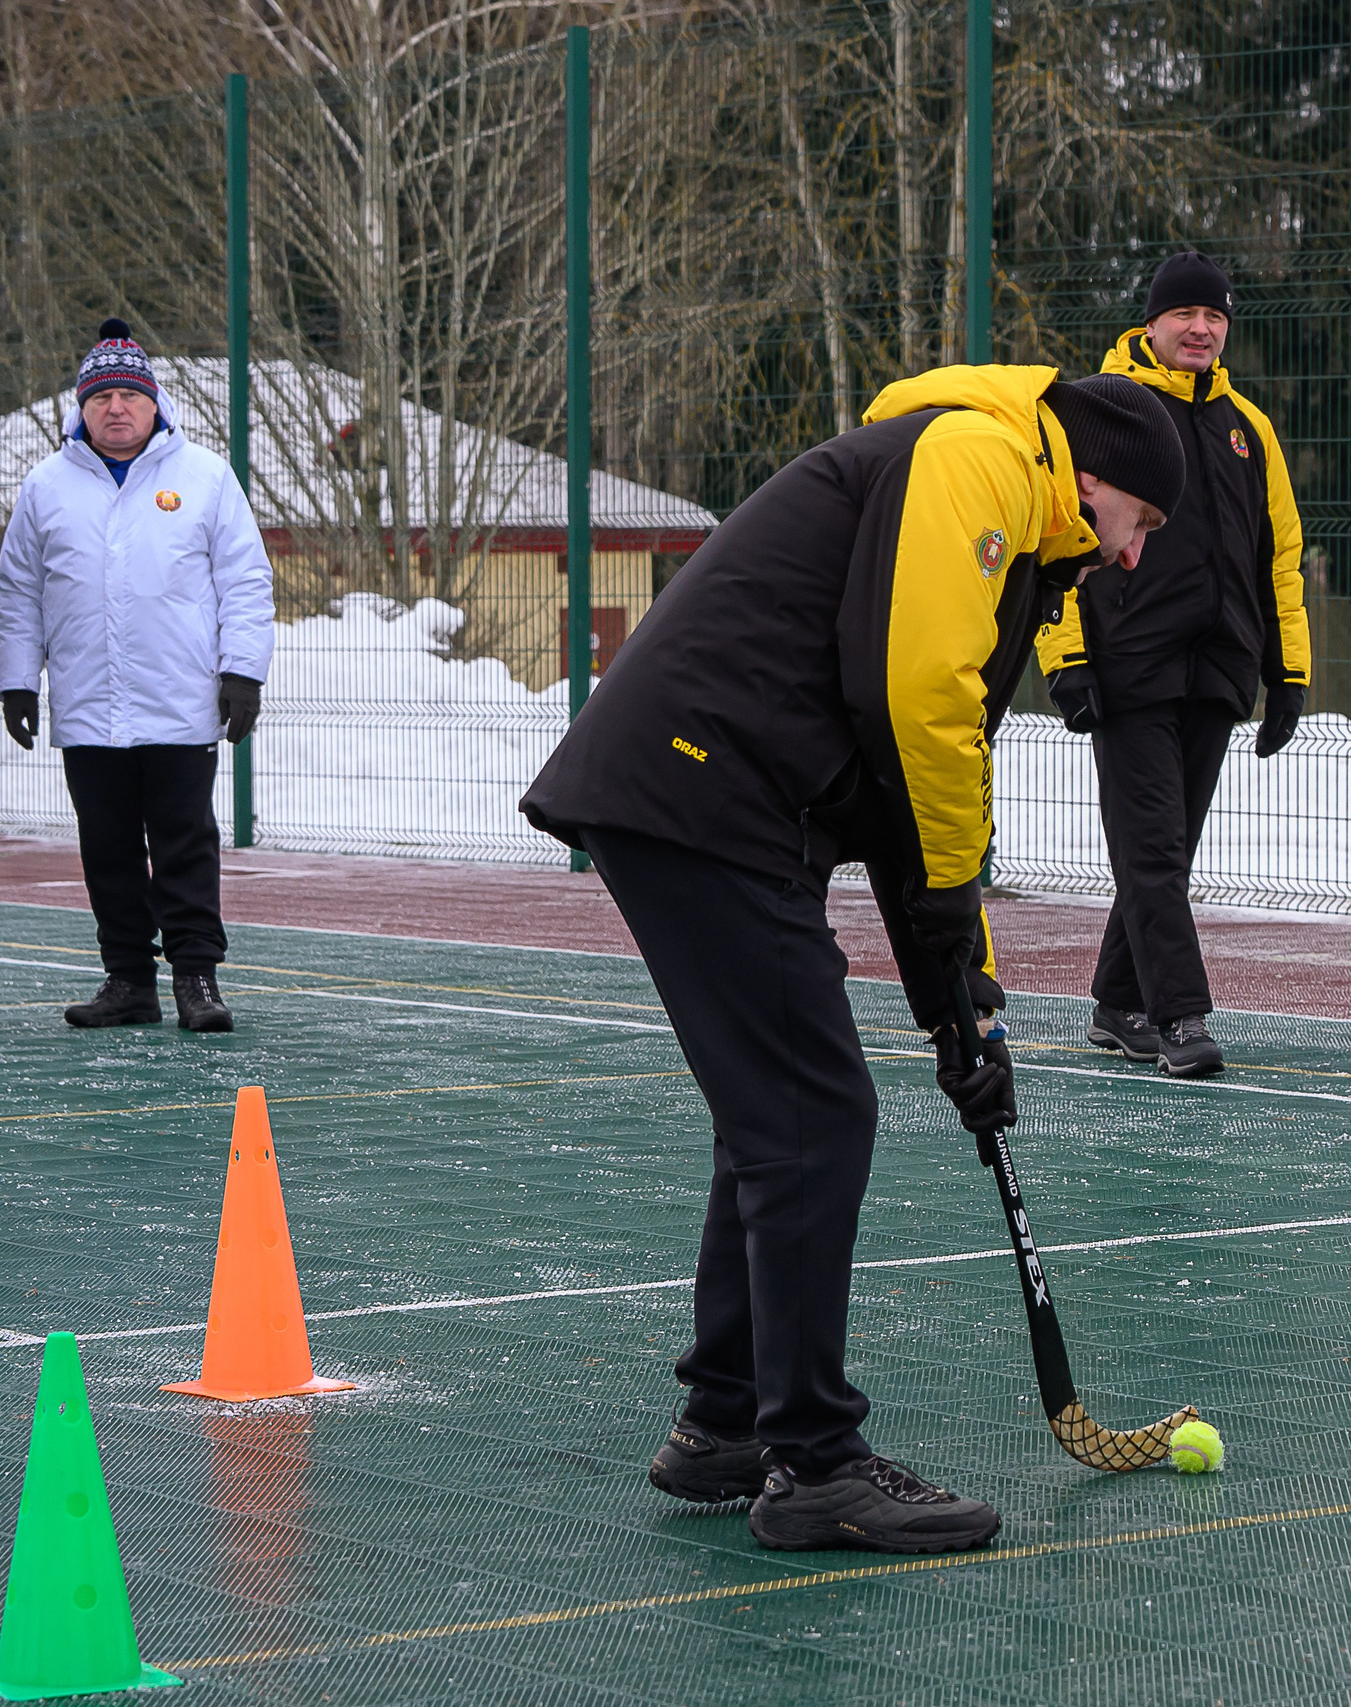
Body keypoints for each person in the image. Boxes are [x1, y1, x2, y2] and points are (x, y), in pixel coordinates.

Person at [520, 364, 1183, 1555]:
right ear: (1098, 485)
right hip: (699, 789)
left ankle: (727, 1420)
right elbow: (914, 702)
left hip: (713, 796)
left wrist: (958, 1003)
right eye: (1139, 525)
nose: (1131, 558)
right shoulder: (976, 462)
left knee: (777, 1109)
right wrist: (945, 953)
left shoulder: (1008, 518)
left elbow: (914, 790)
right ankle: (816, 1461)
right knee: (810, 1112)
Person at [1036, 250, 1310, 1078]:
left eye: (1215, 316)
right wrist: (1066, 658)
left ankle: (1117, 1003)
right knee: (1153, 848)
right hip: (1127, 669)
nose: (1201, 329)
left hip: (1218, 671)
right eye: (1186, 315)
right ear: (1150, 323)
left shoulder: (1249, 430)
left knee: (1166, 850)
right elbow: (1054, 535)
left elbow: (1281, 557)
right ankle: (1179, 1014)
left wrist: (1286, 672)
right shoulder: (1101, 408)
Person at [0, 319, 273, 1031]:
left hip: (179, 705)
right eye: (101, 397)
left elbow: (245, 581)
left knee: (184, 843)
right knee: (107, 847)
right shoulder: (45, 487)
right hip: (89, 708)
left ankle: (196, 980)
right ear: (80, 408)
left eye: (128, 395)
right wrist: (17, 680)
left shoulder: (206, 477)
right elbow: (19, 591)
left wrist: (243, 671)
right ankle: (127, 981)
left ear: (155, 404)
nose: (115, 408)